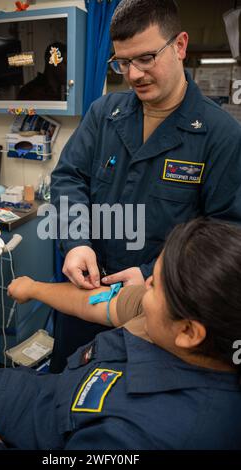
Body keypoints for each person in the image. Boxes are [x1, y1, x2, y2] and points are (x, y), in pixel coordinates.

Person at [50, 0, 241, 371]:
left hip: (158, 311)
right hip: (87, 295)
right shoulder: (104, 113)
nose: (134, 74)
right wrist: (76, 243)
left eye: (147, 58)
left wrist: (155, 273)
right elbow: (68, 178)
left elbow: (228, 233)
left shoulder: (221, 135)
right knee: (65, 383)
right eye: (123, 62)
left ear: (180, 45)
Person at [0, 218, 241, 450]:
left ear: (189, 332)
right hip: (52, 390)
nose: (143, 282)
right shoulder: (193, 317)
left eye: (154, 284)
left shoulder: (141, 435)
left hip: (46, 427)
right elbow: (97, 302)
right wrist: (33, 288)